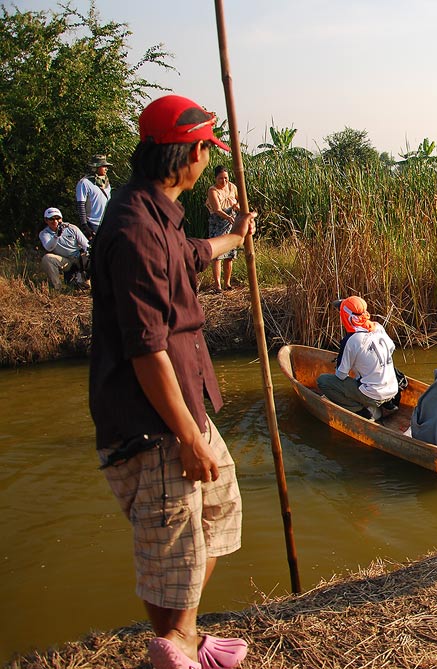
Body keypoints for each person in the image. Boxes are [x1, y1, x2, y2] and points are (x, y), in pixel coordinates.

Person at [89, 94, 255, 669]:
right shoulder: (135, 228)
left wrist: (237, 237)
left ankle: (179, 639)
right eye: (206, 147)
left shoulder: (160, 218)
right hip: (153, 422)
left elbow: (192, 254)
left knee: (220, 509)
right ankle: (176, 647)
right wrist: (185, 434)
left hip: (185, 405)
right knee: (172, 546)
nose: (209, 157)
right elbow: (147, 349)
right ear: (183, 156)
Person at [317, 296, 399, 421]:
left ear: (346, 317)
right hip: (393, 389)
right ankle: (388, 404)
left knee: (323, 381)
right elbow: (391, 348)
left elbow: (341, 375)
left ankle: (363, 412)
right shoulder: (378, 327)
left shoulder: (351, 340)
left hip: (374, 394)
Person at [205, 165, 240, 292]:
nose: (224, 181)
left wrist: (237, 207)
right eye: (221, 179)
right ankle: (217, 286)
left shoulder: (232, 187)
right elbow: (217, 209)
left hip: (231, 221)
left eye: (226, 178)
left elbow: (239, 200)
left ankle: (228, 283)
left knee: (230, 254)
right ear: (215, 178)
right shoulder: (213, 191)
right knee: (217, 255)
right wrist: (228, 217)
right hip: (218, 222)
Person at [38, 206, 90, 289]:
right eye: (51, 219)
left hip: (79, 258)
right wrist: (56, 236)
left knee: (93, 258)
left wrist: (86, 256)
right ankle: (57, 288)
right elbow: (49, 247)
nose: (55, 221)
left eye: (57, 218)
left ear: (61, 219)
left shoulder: (72, 228)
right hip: (65, 260)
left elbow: (86, 244)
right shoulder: (44, 234)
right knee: (47, 258)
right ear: (46, 220)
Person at [76, 154, 113, 237]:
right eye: (103, 166)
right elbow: (81, 205)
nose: (106, 168)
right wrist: (85, 225)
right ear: (95, 167)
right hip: (93, 224)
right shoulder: (84, 183)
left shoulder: (106, 182)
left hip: (106, 222)